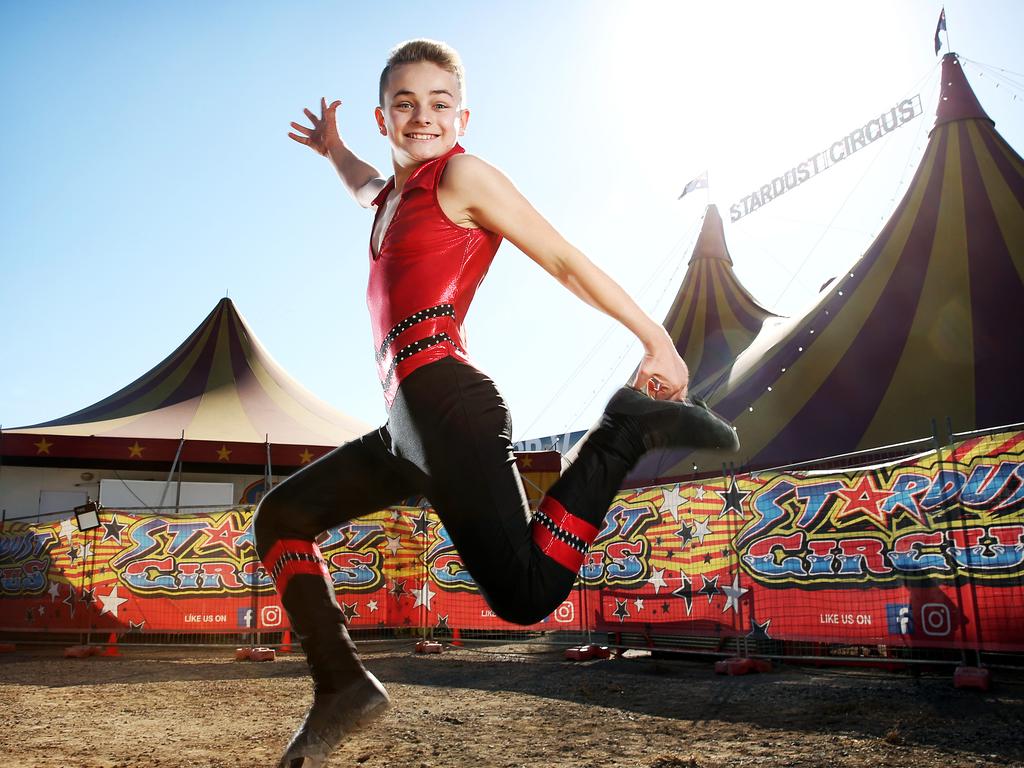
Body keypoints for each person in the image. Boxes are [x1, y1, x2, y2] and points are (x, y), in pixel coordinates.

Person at [256, 38, 739, 768]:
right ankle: (342, 685)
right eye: (405, 104)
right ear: (383, 116)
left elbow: (563, 259)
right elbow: (363, 183)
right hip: (406, 427)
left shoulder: (464, 177)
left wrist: (655, 339)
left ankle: (623, 431)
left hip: (451, 404)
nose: (423, 117)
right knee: (281, 517)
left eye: (439, 104)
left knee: (525, 596)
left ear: (462, 117)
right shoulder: (388, 199)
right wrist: (334, 149)